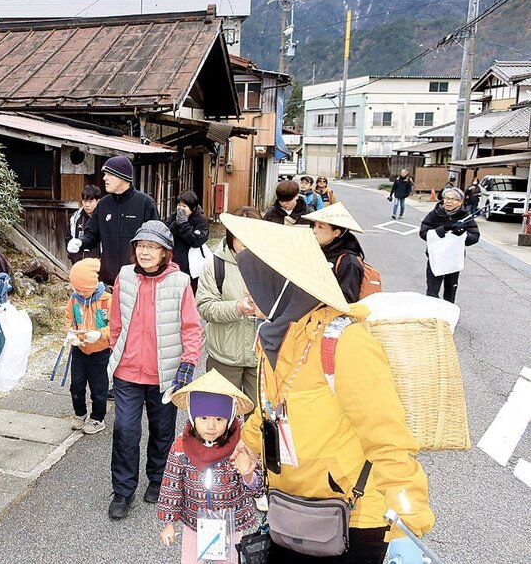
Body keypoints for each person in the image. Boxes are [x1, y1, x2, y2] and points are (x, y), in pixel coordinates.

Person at [222, 212, 434, 563]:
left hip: (352, 517)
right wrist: (249, 442)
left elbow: (388, 435)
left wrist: (408, 519)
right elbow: (269, 410)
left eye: (254, 279)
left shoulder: (343, 341)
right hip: (290, 506)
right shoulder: (274, 338)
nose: (248, 290)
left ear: (280, 284)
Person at [108, 220, 203, 520]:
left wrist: (188, 364)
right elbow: (115, 322)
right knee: (125, 430)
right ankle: (123, 491)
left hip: (166, 374)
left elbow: (191, 327)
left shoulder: (180, 282)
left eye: (152, 247)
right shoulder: (125, 276)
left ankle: (158, 479)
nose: (145, 252)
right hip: (127, 371)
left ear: (165, 253)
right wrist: (115, 350)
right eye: (141, 246)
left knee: (162, 430)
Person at [157, 370, 263, 564]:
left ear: (230, 419)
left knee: (230, 561)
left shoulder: (241, 447)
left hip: (231, 523)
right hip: (195, 523)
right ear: (193, 417)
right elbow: (171, 485)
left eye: (219, 419)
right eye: (204, 418)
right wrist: (168, 522)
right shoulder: (181, 447)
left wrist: (248, 475)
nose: (211, 426)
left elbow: (260, 489)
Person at [196, 206, 263, 406]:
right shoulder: (215, 265)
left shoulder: (271, 264)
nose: (246, 241)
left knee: (259, 423)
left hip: (260, 357)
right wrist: (238, 308)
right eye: (240, 235)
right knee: (220, 417)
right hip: (223, 355)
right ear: (231, 234)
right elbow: (205, 306)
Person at [67, 155, 160, 286]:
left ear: (122, 176)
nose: (104, 178)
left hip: (138, 279)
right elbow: (92, 234)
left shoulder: (145, 203)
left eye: (109, 174)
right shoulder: (104, 204)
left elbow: (156, 241)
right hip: (107, 280)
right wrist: (80, 242)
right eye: (104, 174)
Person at [63, 258, 111, 435]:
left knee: (99, 387)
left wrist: (100, 334)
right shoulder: (75, 299)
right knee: (76, 384)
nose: (80, 293)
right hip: (80, 348)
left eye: (84, 290)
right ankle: (80, 413)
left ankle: (98, 418)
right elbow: (69, 318)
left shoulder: (107, 300)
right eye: (77, 289)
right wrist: (70, 333)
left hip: (101, 350)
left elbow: (116, 325)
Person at [418, 188, 480, 303]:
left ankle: (448, 313)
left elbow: (475, 236)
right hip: (435, 258)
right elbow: (423, 232)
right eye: (446, 198)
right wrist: (442, 230)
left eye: (453, 199)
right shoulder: (434, 214)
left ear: (460, 202)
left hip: (453, 259)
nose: (448, 202)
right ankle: (433, 314)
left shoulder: (465, 217)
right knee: (432, 290)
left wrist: (462, 234)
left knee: (450, 289)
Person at [305, 202, 368, 303]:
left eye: (320, 227)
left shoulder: (349, 262)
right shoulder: (318, 251)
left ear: (336, 233)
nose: (314, 230)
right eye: (314, 225)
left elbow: (347, 300)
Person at [166, 189, 210, 294]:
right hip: (174, 260)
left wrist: (184, 225)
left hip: (192, 266)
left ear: (193, 208)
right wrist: (177, 223)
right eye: (179, 205)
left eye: (184, 206)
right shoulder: (174, 216)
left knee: (189, 293)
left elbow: (197, 241)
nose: (180, 209)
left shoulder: (201, 220)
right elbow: (167, 233)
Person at [67, 185, 103, 264]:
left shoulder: (104, 217)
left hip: (99, 261)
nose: (87, 205)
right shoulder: (75, 217)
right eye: (84, 201)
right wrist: (72, 256)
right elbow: (69, 237)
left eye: (90, 201)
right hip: (79, 261)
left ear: (98, 201)